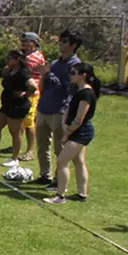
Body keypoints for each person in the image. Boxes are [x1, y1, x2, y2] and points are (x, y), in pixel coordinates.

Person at [34, 30, 83, 188]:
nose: (60, 44)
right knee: (42, 145)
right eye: (60, 41)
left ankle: (58, 180)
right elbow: (43, 87)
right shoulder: (54, 63)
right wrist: (43, 76)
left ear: (73, 45)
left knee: (59, 148)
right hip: (44, 108)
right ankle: (44, 175)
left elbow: (68, 90)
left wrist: (49, 75)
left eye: (64, 41)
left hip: (59, 111)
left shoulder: (75, 66)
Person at [43, 63, 97, 203]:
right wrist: (64, 124)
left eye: (73, 73)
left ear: (83, 75)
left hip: (81, 132)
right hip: (76, 130)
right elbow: (69, 111)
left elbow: (79, 118)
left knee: (61, 161)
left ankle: (60, 196)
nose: (70, 75)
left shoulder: (86, 93)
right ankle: (81, 194)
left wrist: (68, 132)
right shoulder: (79, 91)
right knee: (79, 162)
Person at [0, 50, 36, 164]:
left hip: (18, 106)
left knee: (15, 132)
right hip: (7, 104)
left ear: (17, 60)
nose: (7, 59)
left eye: (9, 58)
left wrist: (25, 94)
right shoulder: (10, 70)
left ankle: (14, 158)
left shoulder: (23, 72)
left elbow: (33, 85)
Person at [19, 32, 47, 161]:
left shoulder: (32, 58)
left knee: (29, 123)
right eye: (22, 41)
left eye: (26, 41)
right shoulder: (26, 55)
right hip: (22, 91)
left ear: (34, 43)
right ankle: (17, 144)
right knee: (18, 120)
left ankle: (29, 151)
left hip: (31, 93)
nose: (23, 43)